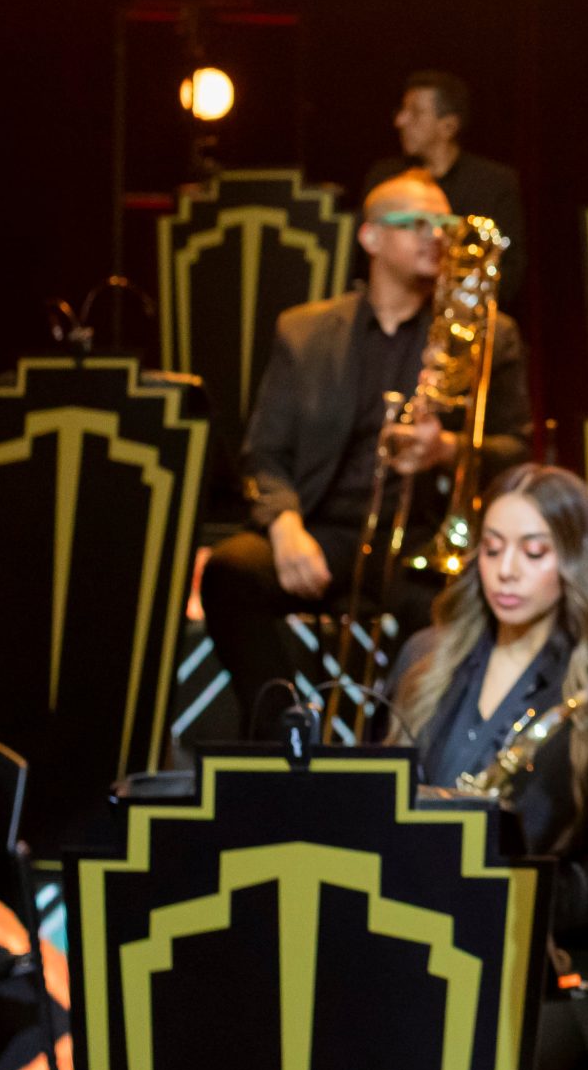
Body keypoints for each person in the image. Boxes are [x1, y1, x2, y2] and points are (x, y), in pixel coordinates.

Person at [385, 465, 588, 1070]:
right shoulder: (425, 659)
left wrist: (506, 900)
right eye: (491, 549)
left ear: (574, 561)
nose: (506, 571)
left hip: (565, 967)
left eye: (534, 551)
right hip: (423, 936)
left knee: (479, 1067)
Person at [203, 173, 532, 734]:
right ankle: (282, 730)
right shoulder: (304, 331)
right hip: (323, 531)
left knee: (449, 607)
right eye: (418, 223)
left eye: (445, 224)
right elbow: (263, 454)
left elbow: (516, 451)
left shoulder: (488, 332)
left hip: (420, 543)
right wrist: (284, 527)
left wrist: (446, 450)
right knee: (229, 571)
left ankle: (391, 748)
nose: (436, 236)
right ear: (372, 237)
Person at [364, 68, 529, 299]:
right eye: (402, 110)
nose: (400, 121)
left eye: (415, 113)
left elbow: (508, 268)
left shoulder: (493, 184)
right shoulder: (385, 178)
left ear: (449, 126)